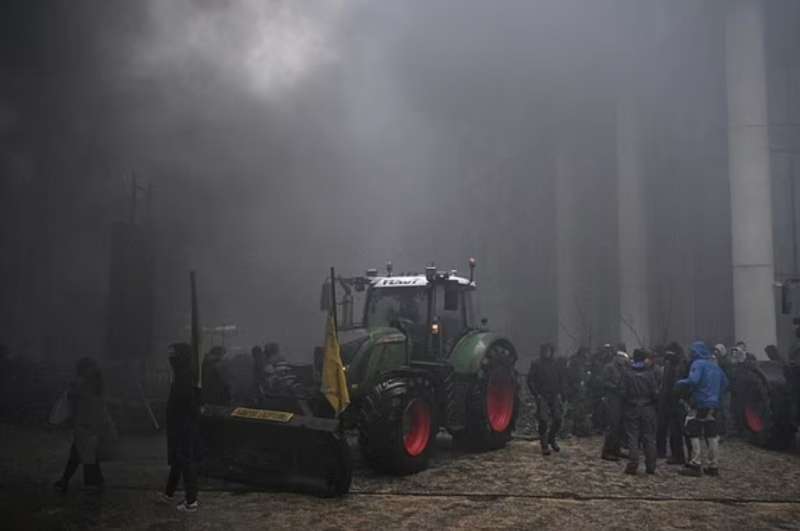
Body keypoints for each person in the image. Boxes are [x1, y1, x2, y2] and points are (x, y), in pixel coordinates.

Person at [54, 357, 110, 493]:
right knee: (83, 453)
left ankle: (72, 481)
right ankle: (93, 481)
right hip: (89, 425)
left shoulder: (87, 385)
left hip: (86, 425)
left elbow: (82, 402)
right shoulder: (94, 384)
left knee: (79, 454)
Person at [675, 341, 728, 477]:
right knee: (712, 435)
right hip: (714, 405)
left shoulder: (698, 364)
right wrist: (716, 396)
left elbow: (693, 380)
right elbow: (725, 383)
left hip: (699, 403)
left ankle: (695, 463)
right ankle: (713, 466)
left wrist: (680, 383)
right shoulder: (715, 366)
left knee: (693, 431)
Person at [161, 343, 202, 512]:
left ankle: (191, 501)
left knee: (185, 460)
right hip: (182, 423)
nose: (170, 358)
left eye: (173, 354)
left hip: (182, 423)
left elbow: (186, 401)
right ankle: (169, 494)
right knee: (180, 460)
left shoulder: (183, 376)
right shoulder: (184, 373)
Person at [621, 349, 659, 475]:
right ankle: (651, 466)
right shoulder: (650, 373)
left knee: (633, 437)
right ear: (644, 359)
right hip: (648, 408)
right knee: (649, 437)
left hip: (632, 407)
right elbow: (655, 393)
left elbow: (623, 392)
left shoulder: (627, 373)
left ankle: (633, 464)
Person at [527, 343, 565, 456]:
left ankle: (551, 439)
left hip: (554, 395)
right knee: (543, 420)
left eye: (549, 350)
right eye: (545, 350)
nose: (547, 353)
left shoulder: (556, 364)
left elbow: (561, 379)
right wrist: (536, 394)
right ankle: (544, 445)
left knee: (558, 419)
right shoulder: (536, 364)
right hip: (542, 395)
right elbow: (530, 380)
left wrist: (561, 393)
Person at [600, 346, 630, 461]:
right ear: (617, 357)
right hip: (612, 398)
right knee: (612, 425)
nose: (623, 360)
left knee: (620, 426)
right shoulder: (609, 368)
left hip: (622, 399)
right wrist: (615, 387)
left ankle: (616, 449)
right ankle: (607, 451)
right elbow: (604, 382)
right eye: (621, 357)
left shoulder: (624, 368)